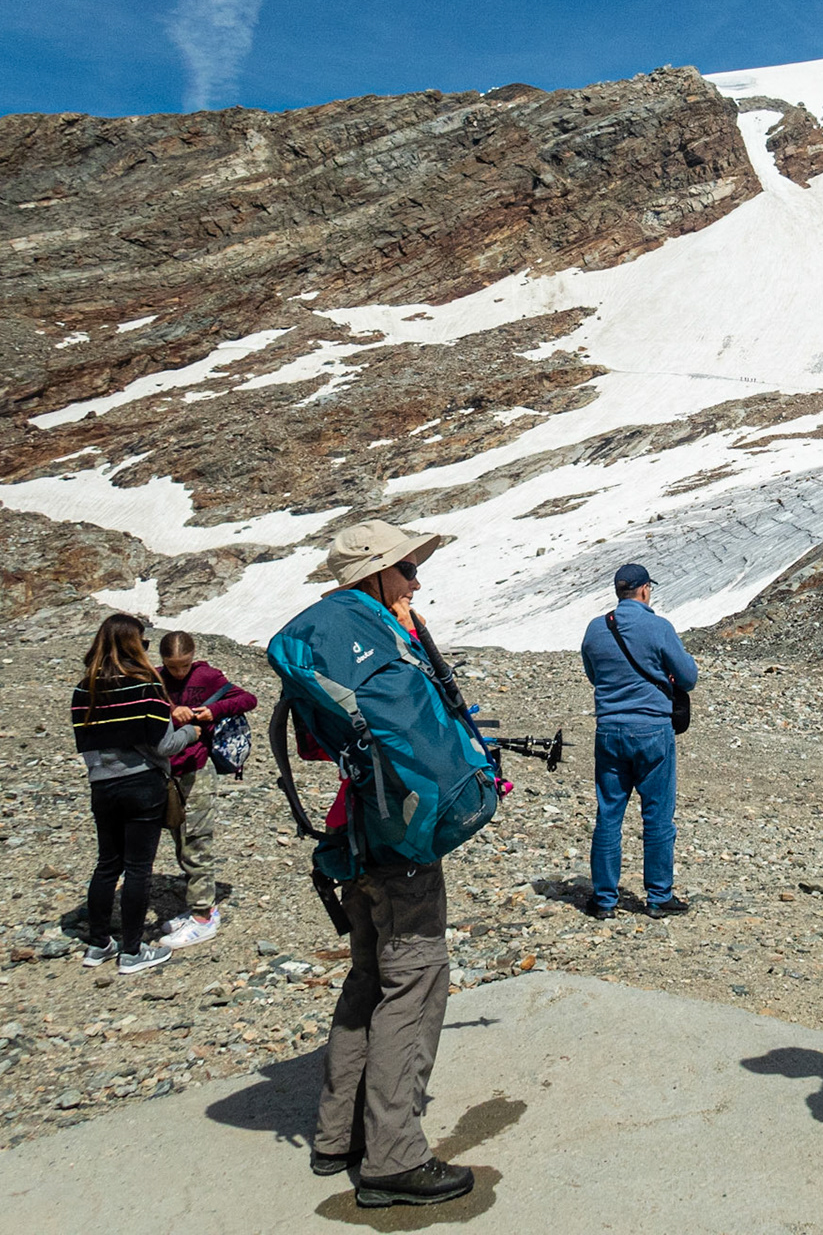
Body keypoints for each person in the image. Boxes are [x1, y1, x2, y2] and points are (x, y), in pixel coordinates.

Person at [308, 518, 474, 1209]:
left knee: (369, 976)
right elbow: (436, 726)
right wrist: (413, 644)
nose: (415, 579)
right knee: (415, 984)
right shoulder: (378, 652)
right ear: (373, 575)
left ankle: (337, 1134)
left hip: (356, 836)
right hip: (400, 839)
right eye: (405, 568)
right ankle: (395, 1157)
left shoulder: (338, 649)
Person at [70, 613, 200, 976]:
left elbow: (88, 747)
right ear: (132, 645)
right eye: (142, 642)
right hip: (142, 785)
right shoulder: (146, 687)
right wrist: (192, 733)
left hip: (102, 785)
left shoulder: (84, 690)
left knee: (107, 864)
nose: (145, 648)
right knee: (138, 869)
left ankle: (98, 945)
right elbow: (164, 745)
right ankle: (132, 950)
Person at [578, 562, 698, 920]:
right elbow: (688, 677)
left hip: (610, 730)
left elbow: (592, 674)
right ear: (645, 590)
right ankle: (659, 896)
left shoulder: (596, 629)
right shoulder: (658, 627)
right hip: (651, 729)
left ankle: (604, 900)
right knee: (657, 816)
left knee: (609, 814)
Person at [156, 630, 257, 949]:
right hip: (168, 769)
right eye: (172, 667)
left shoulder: (208, 676)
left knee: (197, 838)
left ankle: (204, 915)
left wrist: (214, 711)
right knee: (180, 837)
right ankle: (197, 904)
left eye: (183, 665)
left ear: (193, 656)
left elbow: (247, 699)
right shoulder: (155, 679)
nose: (178, 673)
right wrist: (170, 712)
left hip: (199, 767)